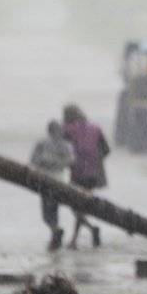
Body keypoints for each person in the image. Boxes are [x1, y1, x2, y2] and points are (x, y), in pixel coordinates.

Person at [62, 104, 109, 249]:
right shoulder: (96, 128)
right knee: (81, 205)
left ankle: (85, 232)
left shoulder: (68, 129)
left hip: (77, 173)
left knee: (75, 205)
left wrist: (69, 162)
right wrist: (95, 160)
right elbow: (106, 150)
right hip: (93, 174)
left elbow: (62, 147)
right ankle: (78, 237)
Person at [29, 120, 73, 251]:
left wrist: (45, 162)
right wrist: (58, 163)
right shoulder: (65, 145)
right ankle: (55, 233)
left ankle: (55, 231)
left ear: (48, 130)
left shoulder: (42, 143)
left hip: (45, 179)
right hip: (60, 179)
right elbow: (70, 161)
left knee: (46, 212)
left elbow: (34, 161)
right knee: (54, 208)